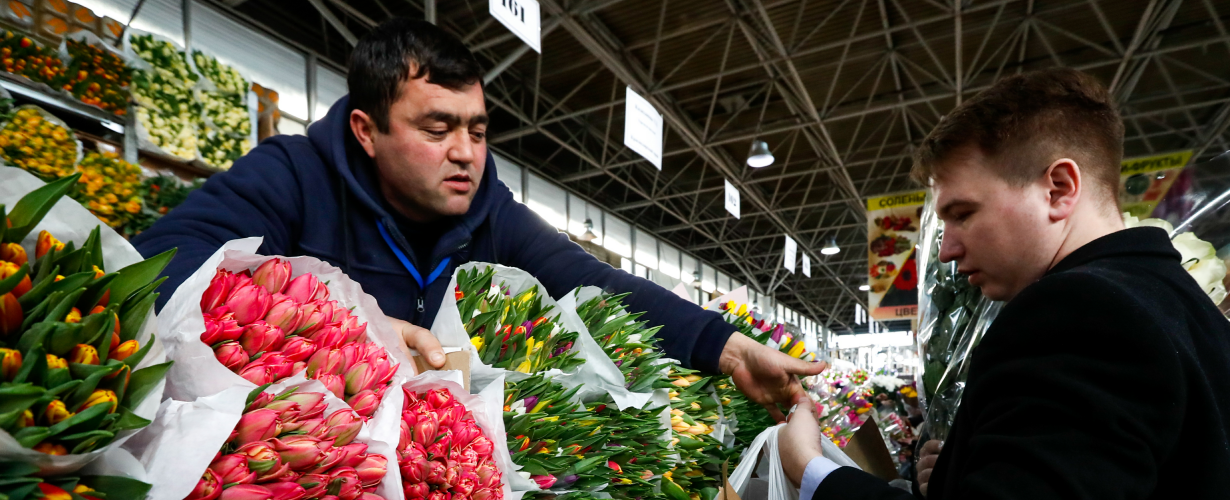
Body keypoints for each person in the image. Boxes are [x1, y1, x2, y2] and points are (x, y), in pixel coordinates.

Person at [779, 68, 1230, 500]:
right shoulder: (1181, 307)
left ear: (1059, 188)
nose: (948, 247)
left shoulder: (1081, 315)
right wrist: (958, 479)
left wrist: (812, 475)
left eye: (963, 214)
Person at [132, 18, 821, 415]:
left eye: (478, 129)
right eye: (437, 128)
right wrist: (346, 328)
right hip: (282, 464)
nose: (465, 153)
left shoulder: (489, 210)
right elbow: (162, 261)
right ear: (368, 132)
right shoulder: (293, 175)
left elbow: (585, 280)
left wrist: (725, 347)